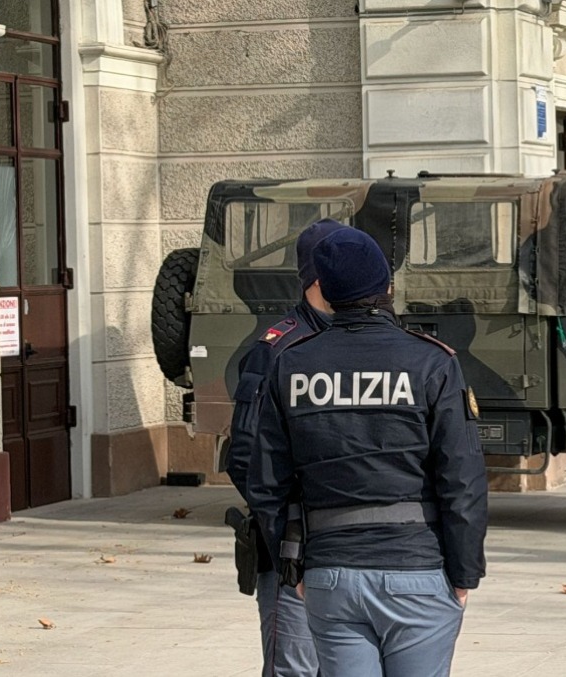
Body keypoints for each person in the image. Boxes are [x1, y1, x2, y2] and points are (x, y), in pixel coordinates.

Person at [247, 227, 489, 677]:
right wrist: (465, 573)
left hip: (330, 575)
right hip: (417, 571)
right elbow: (462, 479)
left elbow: (266, 482)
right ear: (388, 287)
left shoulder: (292, 364)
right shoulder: (432, 362)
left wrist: (293, 567)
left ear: (326, 292)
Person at [226, 218, 347, 677]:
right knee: (294, 669)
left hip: (354, 549)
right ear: (318, 279)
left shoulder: (366, 340)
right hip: (294, 551)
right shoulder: (277, 349)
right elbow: (246, 455)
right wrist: (288, 534)